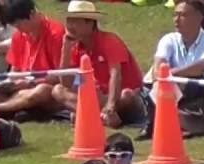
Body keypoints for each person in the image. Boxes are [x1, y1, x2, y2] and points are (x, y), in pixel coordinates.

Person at [52, 1, 143, 129]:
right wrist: (65, 49)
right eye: (69, 21)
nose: (70, 26)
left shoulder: (110, 41)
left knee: (127, 95)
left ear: (90, 23)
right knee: (57, 90)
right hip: (97, 96)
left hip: (120, 95)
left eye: (75, 21)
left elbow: (116, 75)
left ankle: (91, 115)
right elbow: (66, 83)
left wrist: (110, 105)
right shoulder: (75, 47)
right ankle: (99, 117)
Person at [141, 0, 204, 139]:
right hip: (173, 90)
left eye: (183, 15)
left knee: (188, 84)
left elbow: (203, 66)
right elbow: (159, 64)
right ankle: (163, 119)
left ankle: (158, 119)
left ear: (199, 17)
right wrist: (163, 75)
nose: (176, 20)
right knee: (154, 83)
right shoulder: (168, 39)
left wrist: (172, 74)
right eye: (175, 15)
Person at [0, 0, 66, 120]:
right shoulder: (18, 36)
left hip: (47, 88)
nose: (19, 29)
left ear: (32, 14)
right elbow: (14, 71)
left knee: (41, 91)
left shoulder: (56, 33)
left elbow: (61, 76)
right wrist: (13, 84)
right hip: (23, 89)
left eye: (19, 25)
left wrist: (31, 83)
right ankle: (11, 107)